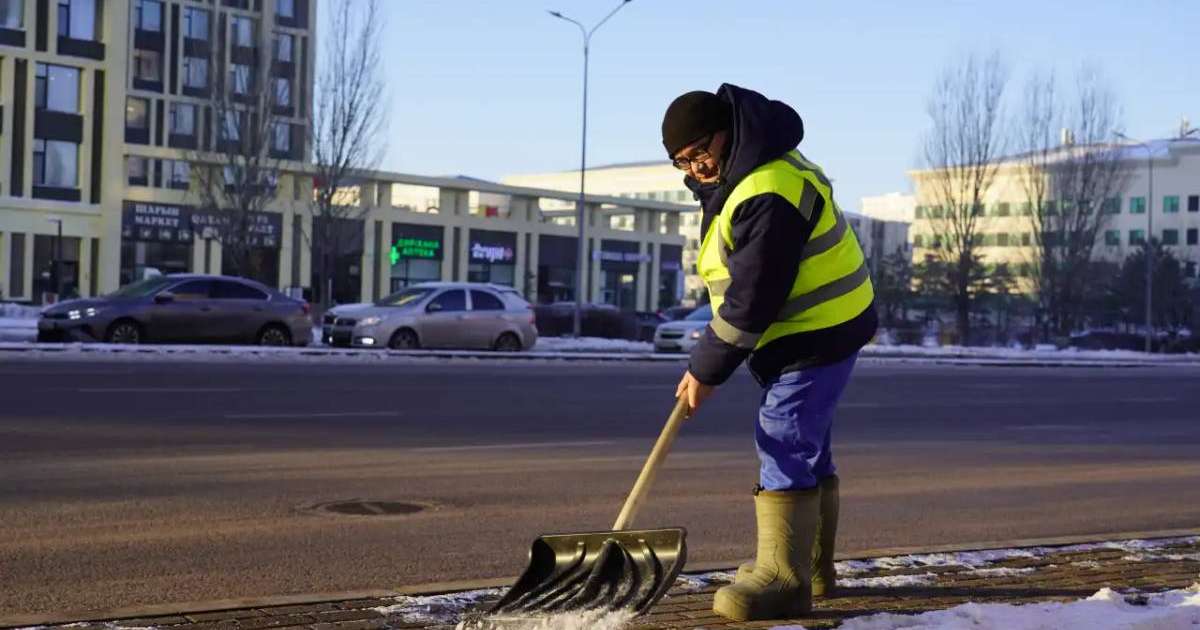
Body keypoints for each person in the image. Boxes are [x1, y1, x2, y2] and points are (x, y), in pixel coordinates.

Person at [663, 85, 878, 622]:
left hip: (819, 328)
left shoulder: (767, 189)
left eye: (699, 153)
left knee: (781, 432)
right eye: (682, 162)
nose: (696, 167)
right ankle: (811, 569)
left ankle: (784, 580)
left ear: (727, 134)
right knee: (806, 443)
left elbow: (752, 298)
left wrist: (705, 369)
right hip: (810, 327)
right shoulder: (744, 174)